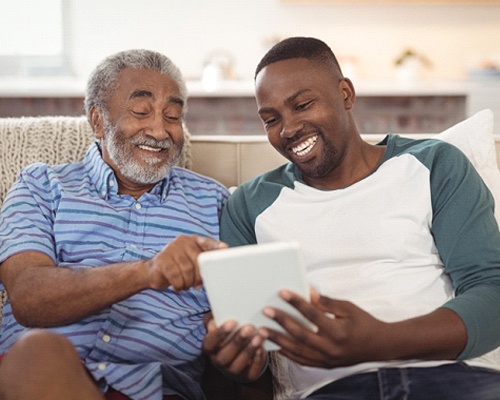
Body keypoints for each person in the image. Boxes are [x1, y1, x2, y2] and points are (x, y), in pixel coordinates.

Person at [202, 37, 500, 399]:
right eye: (271, 119)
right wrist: (238, 365)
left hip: (455, 382)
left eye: (303, 105)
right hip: (332, 391)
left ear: (345, 93)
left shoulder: (435, 164)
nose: (288, 128)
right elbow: (253, 352)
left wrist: (381, 341)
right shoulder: (249, 204)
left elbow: (491, 291)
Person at [0, 49, 229, 400]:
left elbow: (230, 318)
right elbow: (29, 298)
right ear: (97, 120)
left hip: (156, 388)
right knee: (40, 353)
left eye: (172, 116)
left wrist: (228, 343)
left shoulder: (214, 202)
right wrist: (147, 271)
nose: (159, 130)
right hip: (35, 375)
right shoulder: (41, 186)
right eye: (140, 112)